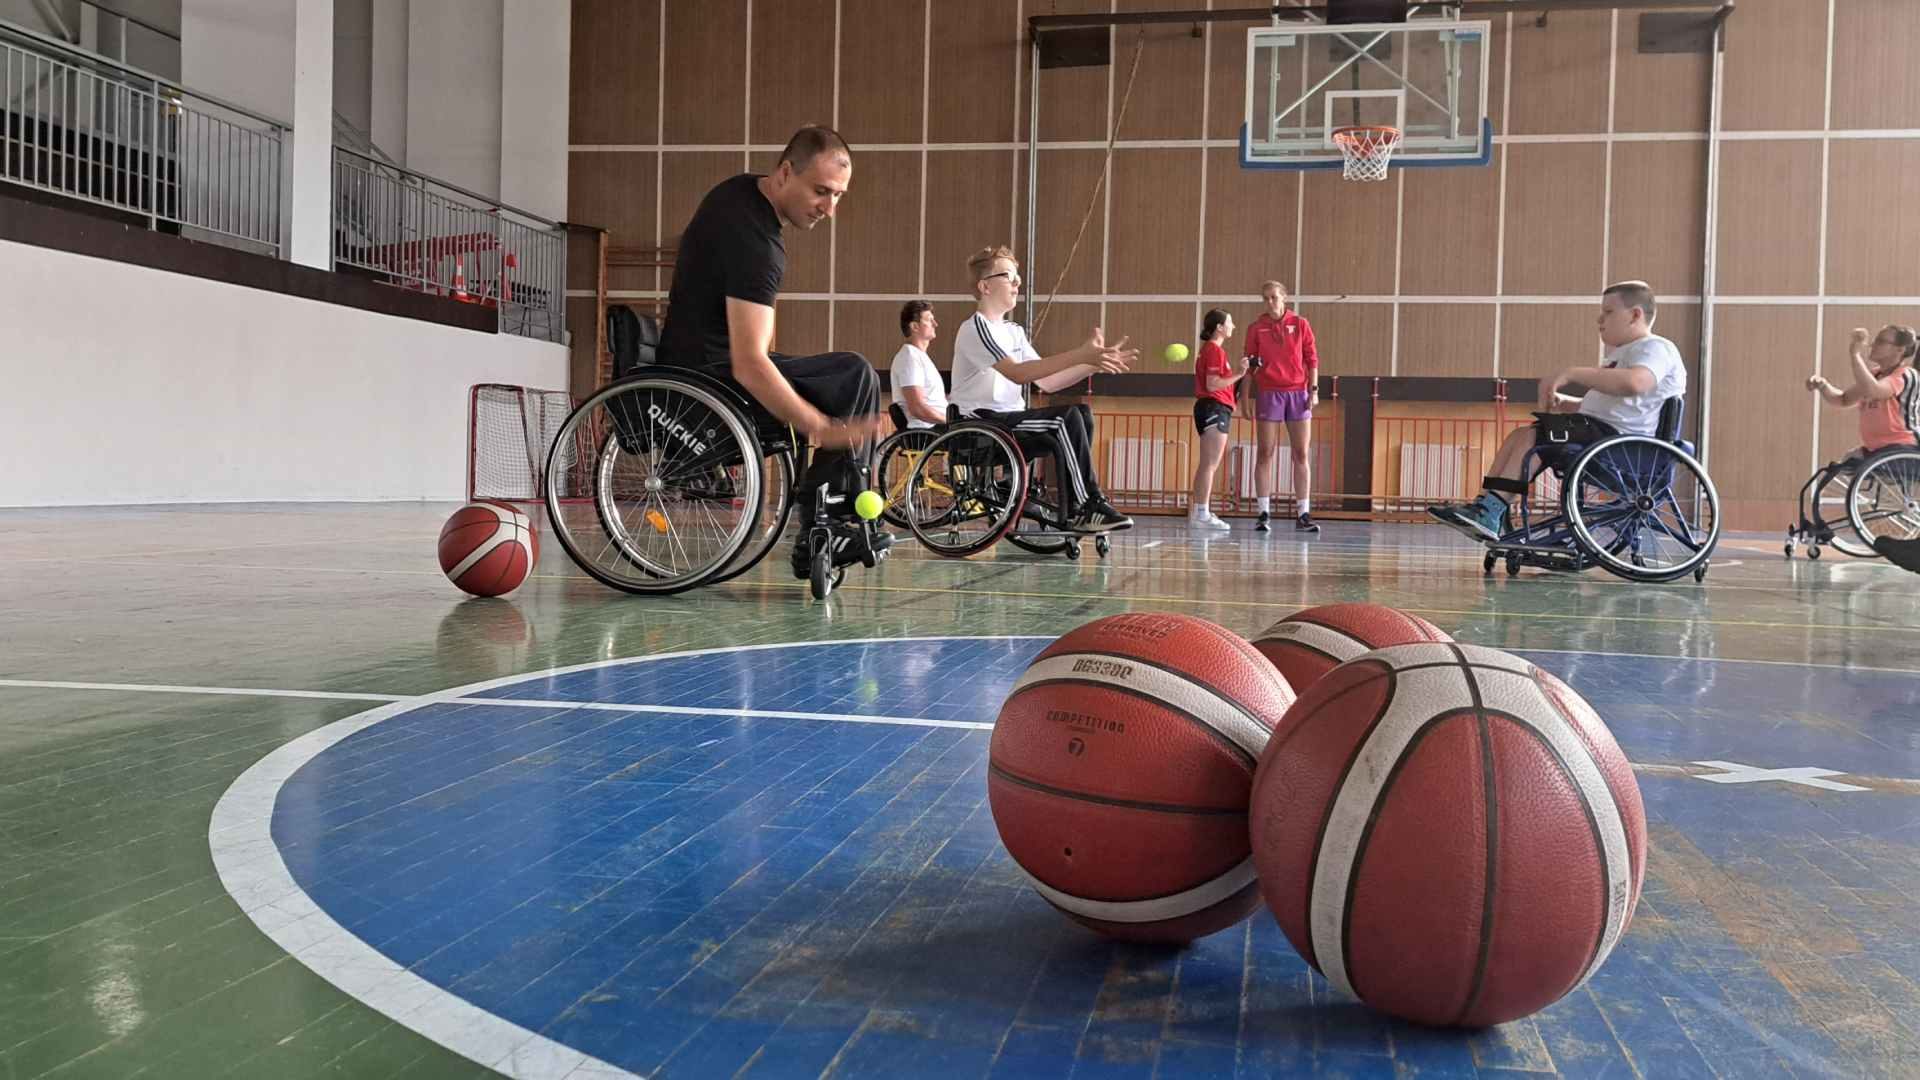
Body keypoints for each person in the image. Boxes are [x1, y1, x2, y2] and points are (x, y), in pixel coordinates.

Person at [655, 125, 891, 579]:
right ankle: (825, 525)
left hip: (698, 359)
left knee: (851, 374)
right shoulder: (756, 244)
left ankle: (831, 518)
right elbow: (748, 363)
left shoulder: (739, 192)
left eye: (839, 195)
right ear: (785, 172)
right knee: (853, 376)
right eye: (822, 191)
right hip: (707, 378)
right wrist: (818, 424)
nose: (830, 208)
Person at [1429, 280, 1686, 541]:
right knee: (1520, 436)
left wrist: (1571, 373)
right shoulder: (1621, 357)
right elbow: (1604, 407)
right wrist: (1563, 401)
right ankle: (1483, 504)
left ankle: (1491, 510)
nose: (1600, 319)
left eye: (1608, 312)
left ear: (1635, 315)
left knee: (1534, 438)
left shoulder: (1656, 348)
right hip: (1601, 433)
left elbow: (1636, 383)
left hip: (1623, 447)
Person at [947, 245, 1136, 532]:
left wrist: (1092, 364)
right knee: (1065, 418)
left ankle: (1077, 505)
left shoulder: (1014, 331)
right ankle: (1088, 504)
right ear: (985, 286)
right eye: (1009, 276)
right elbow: (1018, 373)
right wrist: (1079, 354)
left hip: (1008, 422)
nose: (1018, 283)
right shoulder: (976, 328)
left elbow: (1046, 381)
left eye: (1018, 276)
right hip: (980, 424)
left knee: (1080, 413)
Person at [1243, 281, 1320, 533]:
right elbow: (1249, 366)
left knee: (1301, 453)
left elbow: (1312, 359)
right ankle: (1263, 513)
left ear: (1284, 298)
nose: (1270, 302)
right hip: (1269, 393)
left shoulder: (1301, 324)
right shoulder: (1256, 328)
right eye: (1265, 298)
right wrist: (1245, 398)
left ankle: (1303, 514)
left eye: (1274, 297)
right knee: (1265, 451)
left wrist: (1314, 390)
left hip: (1298, 393)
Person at [1188, 308, 1250, 530]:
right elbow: (1213, 384)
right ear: (1220, 327)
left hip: (1215, 407)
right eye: (1230, 322)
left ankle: (1200, 512)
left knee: (1208, 463)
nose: (1233, 326)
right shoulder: (1214, 351)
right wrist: (1240, 374)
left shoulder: (1212, 351)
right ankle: (1202, 514)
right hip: (1213, 407)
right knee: (1210, 464)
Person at [890, 300, 948, 429]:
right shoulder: (909, 357)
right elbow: (917, 408)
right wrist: (950, 421)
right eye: (929, 320)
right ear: (914, 327)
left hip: (938, 428)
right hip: (928, 430)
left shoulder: (919, 356)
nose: (935, 324)